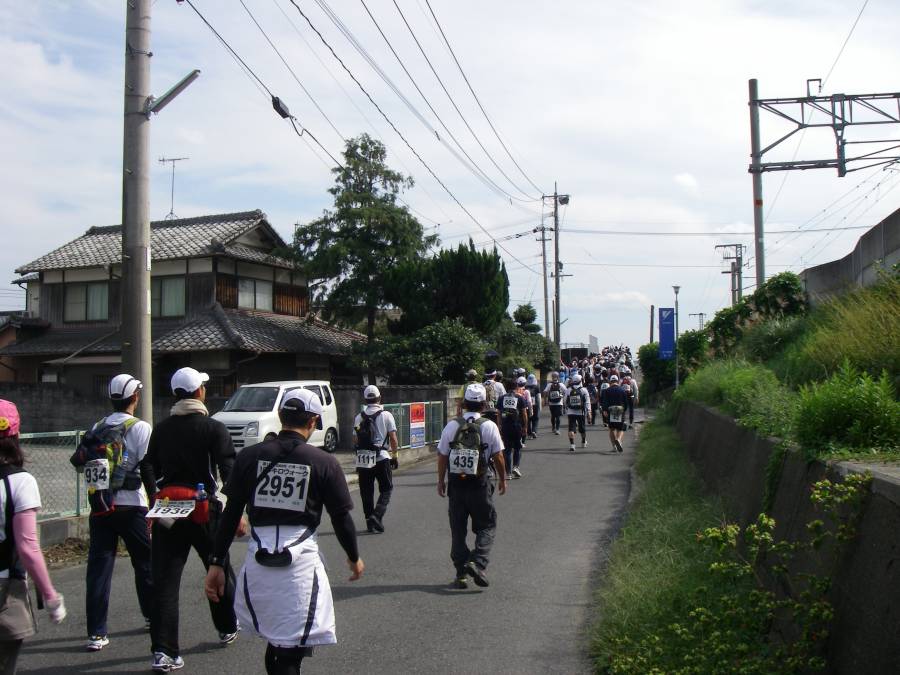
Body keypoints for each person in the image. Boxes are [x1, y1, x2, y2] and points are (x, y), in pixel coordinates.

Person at [206, 389, 364, 675]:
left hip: (258, 559)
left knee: (275, 640)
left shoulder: (250, 457)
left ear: (281, 416)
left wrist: (216, 562)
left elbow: (231, 513)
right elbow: (341, 517)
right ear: (314, 420)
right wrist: (354, 556)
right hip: (300, 564)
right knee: (291, 651)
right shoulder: (323, 462)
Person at [145, 367, 239, 673]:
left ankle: (164, 651)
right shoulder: (213, 428)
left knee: (164, 581)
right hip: (203, 508)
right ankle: (226, 626)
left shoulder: (161, 429)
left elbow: (147, 465)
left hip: (168, 507)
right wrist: (237, 512)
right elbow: (230, 472)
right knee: (218, 568)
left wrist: (154, 494)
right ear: (199, 392)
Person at [71, 374, 155, 652]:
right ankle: (151, 616)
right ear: (135, 398)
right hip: (132, 505)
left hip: (101, 506)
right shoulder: (141, 428)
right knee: (144, 563)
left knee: (98, 569)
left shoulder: (98, 426)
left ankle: (96, 633)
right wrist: (156, 504)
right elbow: (148, 469)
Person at [0, 400, 66, 673]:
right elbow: (28, 548)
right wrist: (51, 597)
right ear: (15, 434)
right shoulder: (20, 481)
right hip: (5, 588)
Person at [436, 384, 507, 589]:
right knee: (487, 525)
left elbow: (442, 456)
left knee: (458, 529)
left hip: (457, 485)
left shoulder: (452, 426)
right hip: (480, 483)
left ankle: (461, 574)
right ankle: (477, 562)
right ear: (484, 404)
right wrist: (503, 479)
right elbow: (498, 456)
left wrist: (441, 481)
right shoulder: (489, 426)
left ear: (464, 404)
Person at [353, 385, 398, 533]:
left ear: (365, 400)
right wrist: (395, 456)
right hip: (382, 456)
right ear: (379, 398)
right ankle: (377, 515)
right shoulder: (386, 415)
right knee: (386, 488)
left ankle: (369, 522)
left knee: (366, 491)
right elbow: (393, 438)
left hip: (364, 458)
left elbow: (355, 440)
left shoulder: (359, 417)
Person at [497, 380, 527, 480]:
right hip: (517, 426)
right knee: (518, 447)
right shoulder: (520, 398)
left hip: (506, 426)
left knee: (507, 449)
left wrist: (499, 426)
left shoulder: (501, 398)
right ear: (516, 387)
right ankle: (516, 467)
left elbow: (499, 414)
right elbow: (524, 414)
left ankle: (508, 473)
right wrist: (525, 426)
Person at [601, 375, 630, 453]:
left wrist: (604, 410)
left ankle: (614, 447)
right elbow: (626, 403)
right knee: (620, 428)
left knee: (611, 429)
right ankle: (618, 439)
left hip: (610, 411)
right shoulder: (622, 390)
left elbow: (604, 402)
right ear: (617, 381)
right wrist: (624, 410)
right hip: (620, 411)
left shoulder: (606, 391)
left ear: (610, 381)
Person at [565, 373, 590, 452]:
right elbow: (587, 402)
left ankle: (572, 444)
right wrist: (589, 411)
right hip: (581, 412)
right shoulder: (584, 390)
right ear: (580, 381)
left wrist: (567, 409)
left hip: (571, 412)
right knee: (582, 428)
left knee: (571, 429)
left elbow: (565, 401)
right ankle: (583, 441)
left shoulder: (569, 390)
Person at [514, 376, 532, 447]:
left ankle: (519, 439)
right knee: (525, 424)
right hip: (525, 410)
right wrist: (531, 411)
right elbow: (529, 402)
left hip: (516, 410)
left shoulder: (515, 391)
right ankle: (523, 442)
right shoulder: (526, 391)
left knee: (518, 424)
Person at [524, 374, 541, 439]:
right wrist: (540, 407)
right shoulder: (537, 386)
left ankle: (529, 433)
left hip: (527, 406)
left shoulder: (525, 387)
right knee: (535, 419)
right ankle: (534, 431)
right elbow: (539, 397)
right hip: (535, 405)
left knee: (528, 419)